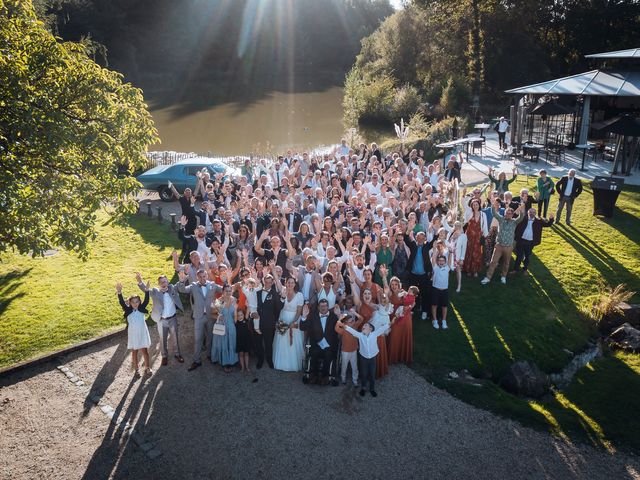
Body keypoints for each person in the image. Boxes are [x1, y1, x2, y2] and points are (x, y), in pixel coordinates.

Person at [178, 268, 222, 371]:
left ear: (206, 276)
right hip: (198, 317)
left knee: (210, 337)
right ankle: (196, 360)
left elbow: (224, 289)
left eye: (204, 276)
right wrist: (181, 281)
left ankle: (210, 355)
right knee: (198, 339)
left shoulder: (212, 285)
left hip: (210, 316)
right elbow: (182, 290)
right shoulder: (193, 286)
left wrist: (226, 279)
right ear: (197, 277)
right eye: (200, 276)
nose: (202, 278)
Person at [136, 272, 184, 366]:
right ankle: (164, 356)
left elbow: (180, 285)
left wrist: (182, 279)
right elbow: (146, 290)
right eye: (161, 282)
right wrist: (140, 282)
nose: (163, 283)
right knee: (162, 339)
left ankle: (177, 354)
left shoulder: (172, 288)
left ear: (168, 281)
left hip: (173, 318)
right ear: (158, 284)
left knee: (175, 337)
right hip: (161, 320)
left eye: (165, 281)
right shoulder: (155, 292)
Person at [337, 319, 390, 398]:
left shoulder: (374, 334)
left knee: (372, 374)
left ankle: (372, 389)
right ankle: (363, 388)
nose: (363, 326)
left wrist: (391, 322)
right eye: (363, 325)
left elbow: (383, 328)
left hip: (372, 357)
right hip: (364, 358)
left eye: (366, 325)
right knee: (364, 374)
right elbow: (351, 330)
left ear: (370, 329)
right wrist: (343, 325)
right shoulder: (360, 335)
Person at [481, 200, 526, 285]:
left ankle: (503, 276)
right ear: (504, 213)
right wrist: (493, 205)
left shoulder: (514, 222)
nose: (508, 214)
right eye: (507, 213)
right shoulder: (501, 219)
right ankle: (488, 277)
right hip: (499, 246)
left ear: (512, 215)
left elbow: (521, 217)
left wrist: (522, 209)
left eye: (510, 213)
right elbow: (494, 213)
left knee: (506, 263)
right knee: (493, 262)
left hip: (508, 247)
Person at [116, 279, 152, 377]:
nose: (135, 304)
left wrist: (147, 290)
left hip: (142, 333)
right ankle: (136, 369)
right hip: (133, 334)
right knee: (134, 352)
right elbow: (122, 303)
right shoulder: (128, 310)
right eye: (133, 302)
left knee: (145, 351)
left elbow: (147, 300)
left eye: (137, 301)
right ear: (130, 303)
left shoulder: (141, 309)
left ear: (139, 302)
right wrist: (119, 293)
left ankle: (147, 367)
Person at [300, 300, 340, 385]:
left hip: (329, 345)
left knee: (328, 354)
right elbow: (303, 328)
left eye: (325, 306)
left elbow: (341, 329)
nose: (323, 308)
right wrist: (303, 316)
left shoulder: (334, 317)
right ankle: (313, 375)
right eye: (321, 306)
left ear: (328, 307)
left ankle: (324, 376)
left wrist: (339, 316)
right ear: (318, 307)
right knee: (313, 353)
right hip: (316, 344)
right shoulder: (313, 316)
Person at [272, 276, 305, 372]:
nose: (290, 284)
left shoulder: (299, 295)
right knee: (281, 341)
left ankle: (292, 364)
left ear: (295, 284)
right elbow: (277, 281)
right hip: (283, 318)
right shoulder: (283, 291)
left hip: (294, 319)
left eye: (292, 282)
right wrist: (273, 270)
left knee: (294, 342)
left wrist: (293, 322)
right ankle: (281, 363)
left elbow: (299, 311)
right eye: (288, 282)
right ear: (286, 283)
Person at [513, 208, 554, 273]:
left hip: (530, 243)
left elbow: (548, 224)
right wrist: (517, 212)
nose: (532, 213)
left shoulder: (539, 221)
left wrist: (551, 219)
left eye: (533, 212)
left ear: (535, 214)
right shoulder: (523, 219)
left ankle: (525, 269)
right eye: (530, 212)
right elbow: (514, 218)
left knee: (527, 256)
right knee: (519, 256)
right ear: (527, 213)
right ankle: (515, 269)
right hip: (521, 241)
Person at [254, 272, 281, 369]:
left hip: (269, 323)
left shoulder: (275, 294)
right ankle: (260, 360)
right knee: (258, 343)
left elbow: (278, 308)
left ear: (272, 282)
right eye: (266, 282)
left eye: (269, 282)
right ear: (263, 282)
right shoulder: (258, 292)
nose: (267, 284)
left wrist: (275, 321)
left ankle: (269, 360)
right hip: (258, 322)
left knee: (269, 343)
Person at [211, 284, 238, 372]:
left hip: (231, 325)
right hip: (221, 325)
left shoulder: (234, 300)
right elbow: (212, 314)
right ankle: (225, 362)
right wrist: (218, 317)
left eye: (230, 291)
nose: (228, 292)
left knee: (231, 342)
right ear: (222, 291)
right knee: (223, 343)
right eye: (226, 291)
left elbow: (235, 313)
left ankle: (232, 360)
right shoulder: (218, 301)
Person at [335, 307, 364, 386]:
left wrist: (354, 313)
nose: (352, 322)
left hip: (354, 350)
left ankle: (355, 380)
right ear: (345, 323)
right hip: (345, 351)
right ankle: (343, 378)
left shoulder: (355, 326)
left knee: (354, 367)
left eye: (352, 320)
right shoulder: (344, 329)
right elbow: (336, 328)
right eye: (349, 321)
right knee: (344, 366)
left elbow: (361, 319)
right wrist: (340, 319)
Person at [430, 253, 450, 330]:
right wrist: (435, 248)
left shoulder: (447, 268)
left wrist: (451, 252)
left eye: (443, 261)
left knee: (444, 306)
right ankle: (435, 320)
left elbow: (449, 260)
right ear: (437, 262)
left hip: (445, 290)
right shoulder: (435, 267)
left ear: (445, 262)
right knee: (434, 305)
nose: (441, 262)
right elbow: (434, 258)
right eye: (439, 261)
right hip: (435, 289)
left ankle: (444, 320)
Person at [235, 308, 252, 374]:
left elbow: (248, 310)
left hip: (246, 340)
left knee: (246, 354)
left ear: (244, 315)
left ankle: (247, 367)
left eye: (241, 315)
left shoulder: (246, 320)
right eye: (238, 315)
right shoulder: (236, 322)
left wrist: (247, 304)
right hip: (239, 341)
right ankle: (242, 367)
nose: (240, 317)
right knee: (241, 354)